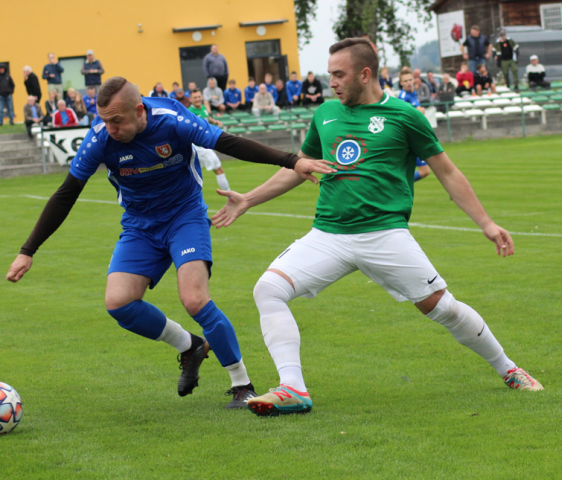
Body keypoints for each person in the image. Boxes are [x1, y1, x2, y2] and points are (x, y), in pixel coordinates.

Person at [210, 37, 543, 417]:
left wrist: (486, 222)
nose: (330, 82)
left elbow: (447, 172)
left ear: (364, 74)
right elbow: (301, 168)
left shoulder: (405, 116)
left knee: (443, 309)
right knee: (268, 289)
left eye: (339, 74)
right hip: (328, 235)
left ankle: (509, 369)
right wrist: (249, 198)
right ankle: (293, 389)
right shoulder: (325, 115)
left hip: (385, 234)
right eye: (330, 74)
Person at [6, 76, 333, 410]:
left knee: (194, 299)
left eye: (117, 120)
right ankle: (189, 346)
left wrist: (292, 161)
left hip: (184, 217)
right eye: (104, 120)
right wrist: (27, 251)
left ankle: (241, 383)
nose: (110, 128)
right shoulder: (99, 138)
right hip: (139, 226)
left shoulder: (172, 119)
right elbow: (66, 194)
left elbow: (228, 142)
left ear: (139, 110)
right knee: (118, 303)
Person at [188, 87, 232, 192]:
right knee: (219, 169)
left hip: (203, 145)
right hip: (200, 147)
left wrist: (215, 121)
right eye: (195, 97)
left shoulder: (203, 108)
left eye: (199, 96)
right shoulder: (190, 112)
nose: (198, 99)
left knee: (193, 175)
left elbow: (207, 119)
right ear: (191, 99)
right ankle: (230, 195)